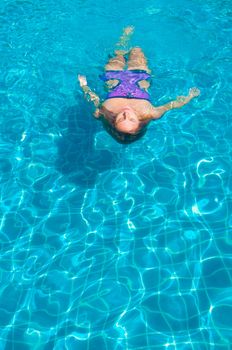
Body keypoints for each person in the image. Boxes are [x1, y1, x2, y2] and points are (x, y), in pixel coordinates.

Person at [78, 26, 200, 144]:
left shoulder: (103, 112)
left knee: (118, 55)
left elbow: (93, 99)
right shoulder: (151, 113)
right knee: (137, 51)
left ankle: (125, 36)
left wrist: (84, 86)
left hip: (113, 78)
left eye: (121, 119)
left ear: (113, 122)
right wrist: (190, 97)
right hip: (139, 77)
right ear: (140, 122)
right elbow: (173, 105)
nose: (126, 114)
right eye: (131, 119)